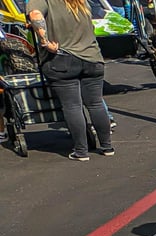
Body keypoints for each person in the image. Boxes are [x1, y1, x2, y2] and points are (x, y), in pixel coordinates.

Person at [26, 0, 114, 161]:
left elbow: (35, 15)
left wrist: (44, 42)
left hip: (62, 59)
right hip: (93, 58)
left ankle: (81, 151)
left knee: (72, 106)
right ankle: (107, 146)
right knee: (95, 103)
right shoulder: (81, 2)